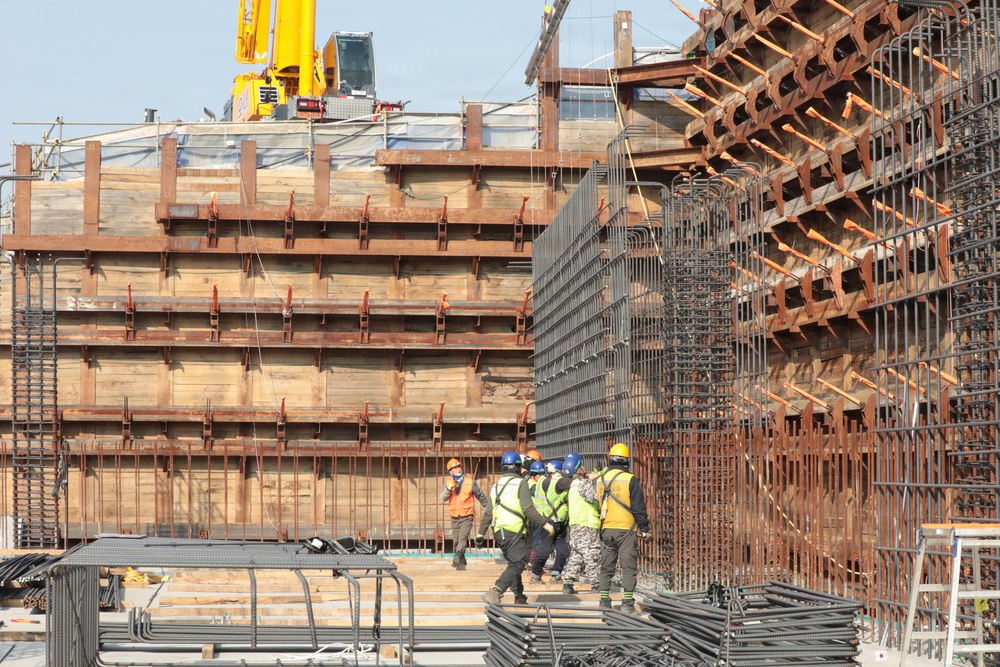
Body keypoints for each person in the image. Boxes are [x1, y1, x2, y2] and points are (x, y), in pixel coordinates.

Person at [478, 451, 552, 605]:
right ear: (518, 467)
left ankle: (519, 596)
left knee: (514, 561)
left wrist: (480, 534)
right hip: (515, 530)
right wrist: (545, 523)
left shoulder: (496, 486)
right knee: (517, 563)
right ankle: (496, 590)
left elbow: (488, 512)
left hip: (499, 532)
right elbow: (528, 509)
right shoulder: (521, 483)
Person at [595, 443, 650, 614]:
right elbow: (638, 507)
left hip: (606, 529)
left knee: (606, 566)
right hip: (626, 530)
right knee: (628, 567)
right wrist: (645, 529)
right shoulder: (630, 479)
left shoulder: (600, 480)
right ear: (626, 460)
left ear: (610, 460)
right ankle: (627, 604)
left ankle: (604, 601)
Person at [560, 454, 601, 595]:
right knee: (592, 554)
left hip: (575, 525)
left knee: (576, 556)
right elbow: (596, 496)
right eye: (582, 465)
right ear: (579, 469)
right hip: (587, 525)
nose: (584, 467)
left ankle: (568, 584)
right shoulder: (583, 484)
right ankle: (596, 585)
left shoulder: (573, 485)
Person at [440, 458, 490, 570]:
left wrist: (489, 508)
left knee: (462, 538)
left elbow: (481, 496)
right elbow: (442, 498)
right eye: (455, 468)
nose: (458, 469)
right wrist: (448, 489)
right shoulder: (448, 484)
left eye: (459, 467)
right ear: (450, 471)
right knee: (457, 540)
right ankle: (462, 564)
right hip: (454, 517)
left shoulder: (470, 482)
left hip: (467, 516)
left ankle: (457, 557)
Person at [530, 456, 570, 584]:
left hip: (560, 523)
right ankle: (535, 575)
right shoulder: (549, 482)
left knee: (563, 550)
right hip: (549, 522)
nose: (550, 475)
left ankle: (556, 574)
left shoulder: (551, 482)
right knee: (545, 549)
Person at [526, 460, 546, 570]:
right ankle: (533, 566)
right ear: (534, 475)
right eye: (540, 474)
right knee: (538, 542)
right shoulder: (533, 485)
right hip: (537, 517)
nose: (542, 476)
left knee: (535, 542)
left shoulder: (531, 483)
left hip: (534, 516)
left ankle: (532, 564)